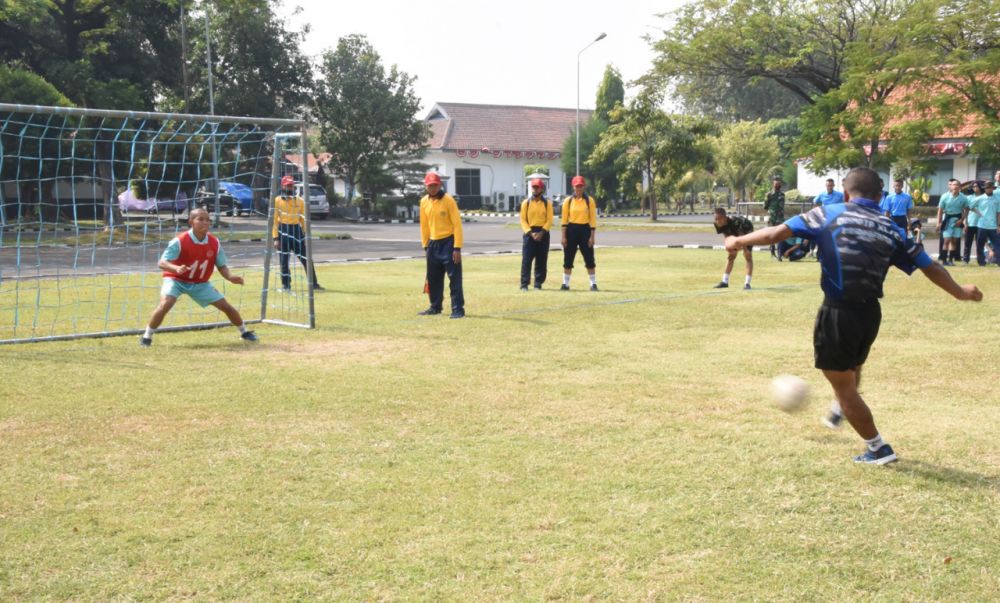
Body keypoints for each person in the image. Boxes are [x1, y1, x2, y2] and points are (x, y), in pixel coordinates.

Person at [724, 167, 982, 465]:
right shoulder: (890, 228)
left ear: (846, 193)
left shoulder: (828, 213)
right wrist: (960, 291)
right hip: (870, 314)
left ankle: (877, 447)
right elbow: (930, 266)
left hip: (839, 313)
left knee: (844, 386)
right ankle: (840, 407)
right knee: (852, 367)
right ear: (880, 197)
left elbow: (774, 233)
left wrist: (738, 241)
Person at [140, 208, 258, 346]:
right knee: (166, 303)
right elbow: (161, 263)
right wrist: (176, 268)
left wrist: (230, 277)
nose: (205, 222)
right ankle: (146, 336)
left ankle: (244, 332)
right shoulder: (179, 241)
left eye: (207, 220)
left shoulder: (214, 243)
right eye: (200, 219)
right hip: (176, 279)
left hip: (200, 283)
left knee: (226, 306)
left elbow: (221, 266)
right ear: (191, 222)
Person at [419, 171, 465, 318]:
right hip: (432, 243)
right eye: (430, 185)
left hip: (449, 242)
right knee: (433, 278)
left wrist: (457, 247)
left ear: (440, 185)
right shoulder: (424, 202)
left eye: (435, 185)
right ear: (426, 186)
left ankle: (458, 309)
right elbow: (424, 225)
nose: (432, 188)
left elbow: (457, 225)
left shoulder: (449, 201)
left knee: (454, 278)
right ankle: (435, 306)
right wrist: (425, 245)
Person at [273, 175, 322, 291]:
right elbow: (274, 220)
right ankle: (286, 285)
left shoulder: (300, 201)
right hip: (283, 231)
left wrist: (305, 234)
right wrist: (275, 238)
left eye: (291, 185)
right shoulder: (277, 200)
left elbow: (303, 219)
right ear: (283, 186)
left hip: (296, 231)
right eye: (287, 185)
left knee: (306, 258)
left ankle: (314, 284)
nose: (290, 187)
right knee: (284, 261)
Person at [560, 175, 598, 291]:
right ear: (573, 187)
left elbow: (592, 219)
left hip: (585, 230)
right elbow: (564, 220)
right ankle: (565, 284)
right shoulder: (568, 201)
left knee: (589, 257)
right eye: (577, 186)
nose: (579, 189)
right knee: (568, 257)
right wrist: (563, 237)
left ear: (583, 187)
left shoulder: (589, 201)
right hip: (571, 230)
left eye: (580, 186)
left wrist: (592, 237)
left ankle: (593, 283)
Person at [519, 177, 553, 290]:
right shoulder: (526, 203)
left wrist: (542, 232)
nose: (535, 189)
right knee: (526, 260)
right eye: (533, 187)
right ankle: (524, 284)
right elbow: (523, 220)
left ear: (541, 189)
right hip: (530, 233)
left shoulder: (547, 204)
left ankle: (538, 283)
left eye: (537, 187)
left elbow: (549, 220)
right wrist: (530, 233)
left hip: (543, 233)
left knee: (541, 259)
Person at [712, 208, 754, 289]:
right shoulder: (717, 224)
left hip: (746, 230)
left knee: (747, 256)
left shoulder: (735, 222)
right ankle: (725, 282)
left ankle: (747, 284)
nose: (718, 221)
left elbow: (742, 239)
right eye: (716, 219)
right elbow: (726, 235)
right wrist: (730, 247)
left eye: (719, 219)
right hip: (733, 233)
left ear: (725, 217)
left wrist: (744, 249)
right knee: (731, 256)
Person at [936, 178, 969, 265]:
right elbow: (940, 210)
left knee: (954, 241)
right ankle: (943, 260)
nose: (955, 186)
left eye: (957, 185)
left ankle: (951, 260)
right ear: (950, 186)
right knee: (946, 240)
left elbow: (966, 209)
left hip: (958, 219)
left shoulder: (963, 197)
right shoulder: (944, 196)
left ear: (960, 187)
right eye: (953, 185)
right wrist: (938, 222)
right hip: (947, 219)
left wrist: (962, 220)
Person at [973, 181, 1000, 266]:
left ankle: (998, 261)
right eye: (987, 188)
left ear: (993, 188)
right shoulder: (980, 198)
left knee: (997, 244)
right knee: (980, 245)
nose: (988, 189)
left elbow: (998, 213)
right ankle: (981, 262)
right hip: (982, 225)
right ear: (985, 189)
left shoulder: (997, 199)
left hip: (993, 226)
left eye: (990, 187)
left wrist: (998, 225)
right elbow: (970, 206)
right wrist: (978, 213)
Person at [963, 181, 985, 264]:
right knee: (967, 243)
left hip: (981, 223)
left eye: (977, 186)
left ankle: (981, 260)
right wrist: (966, 222)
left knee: (980, 243)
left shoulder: (984, 196)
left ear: (980, 187)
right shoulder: (969, 198)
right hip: (971, 222)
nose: (975, 188)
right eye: (973, 186)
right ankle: (965, 259)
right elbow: (966, 210)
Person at [763, 176, 785, 258]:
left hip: (780, 218)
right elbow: (765, 206)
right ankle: (772, 252)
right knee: (771, 235)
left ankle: (780, 253)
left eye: (779, 184)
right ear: (773, 184)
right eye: (776, 184)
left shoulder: (782, 194)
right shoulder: (769, 194)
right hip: (772, 217)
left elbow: (782, 206)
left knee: (780, 235)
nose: (777, 185)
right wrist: (770, 212)